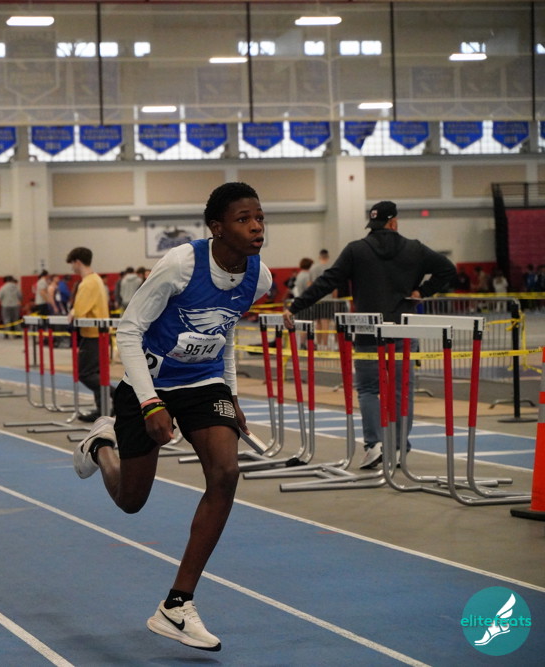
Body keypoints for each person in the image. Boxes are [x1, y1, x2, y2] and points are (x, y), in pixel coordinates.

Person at [73, 182, 271, 652]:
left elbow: (224, 334)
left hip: (204, 382)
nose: (256, 227)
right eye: (244, 219)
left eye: (260, 217)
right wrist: (149, 403)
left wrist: (232, 394)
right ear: (217, 227)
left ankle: (177, 605)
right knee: (131, 500)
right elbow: (129, 330)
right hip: (150, 383)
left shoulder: (258, 278)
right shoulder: (182, 263)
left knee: (226, 473)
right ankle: (101, 446)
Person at [283, 200, 455, 469]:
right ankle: (398, 447)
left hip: (367, 331)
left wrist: (295, 306)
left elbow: (328, 281)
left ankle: (374, 445)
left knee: (367, 390)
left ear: (373, 224)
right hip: (402, 329)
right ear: (394, 222)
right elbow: (448, 269)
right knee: (401, 391)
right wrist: (423, 291)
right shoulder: (415, 248)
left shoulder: (356, 250)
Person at [67, 247, 111, 422]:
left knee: (84, 373)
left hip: (93, 335)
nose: (72, 268)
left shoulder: (87, 283)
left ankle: (118, 396)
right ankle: (102, 409)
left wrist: (72, 312)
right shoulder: (96, 279)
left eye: (72, 264)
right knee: (95, 372)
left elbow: (80, 312)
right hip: (99, 334)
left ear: (77, 262)